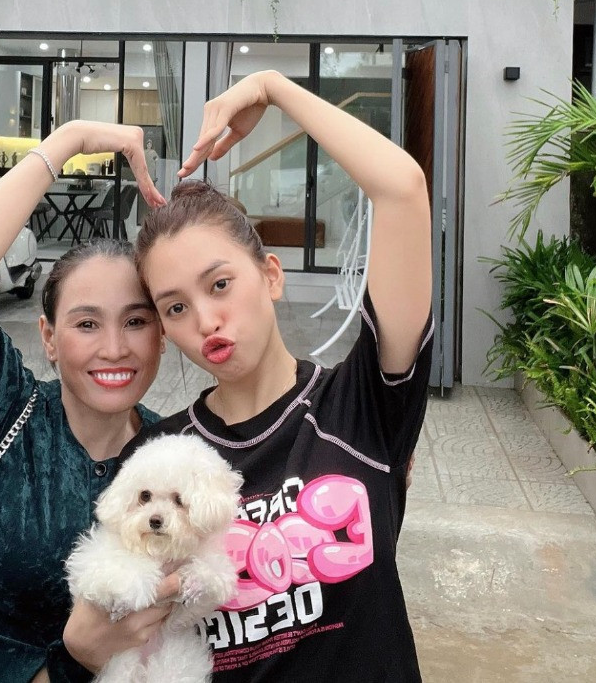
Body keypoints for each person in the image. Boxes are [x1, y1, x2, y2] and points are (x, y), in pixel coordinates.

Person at [68, 70, 433, 682]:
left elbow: (402, 190)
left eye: (220, 284)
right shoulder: (162, 457)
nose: (205, 320)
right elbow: (120, 624)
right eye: (175, 308)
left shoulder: (363, 403)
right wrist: (85, 645)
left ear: (270, 275)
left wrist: (272, 88)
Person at [0, 121, 179, 683]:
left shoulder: (173, 455)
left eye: (136, 321)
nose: (115, 348)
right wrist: (70, 140)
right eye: (86, 323)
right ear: (49, 337)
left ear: (161, 333)